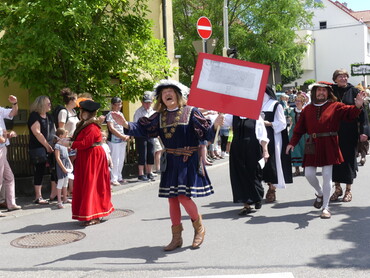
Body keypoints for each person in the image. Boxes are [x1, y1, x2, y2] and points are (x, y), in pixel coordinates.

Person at [111, 79, 224, 251]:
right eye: (164, 93)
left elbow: (206, 134)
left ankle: (199, 228)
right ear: (161, 98)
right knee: (172, 199)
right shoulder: (159, 117)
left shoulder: (191, 112)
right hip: (171, 160)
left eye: (170, 92)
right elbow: (144, 129)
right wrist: (125, 124)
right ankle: (176, 238)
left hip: (188, 159)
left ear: (178, 95)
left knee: (183, 197)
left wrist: (216, 124)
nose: (167, 95)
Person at [286, 82, 366, 219]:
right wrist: (292, 143)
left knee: (327, 175)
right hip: (312, 143)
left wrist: (358, 105)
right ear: (314, 93)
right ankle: (320, 193)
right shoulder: (307, 109)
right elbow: (299, 129)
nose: (321, 92)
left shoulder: (335, 106)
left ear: (328, 93)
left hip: (329, 143)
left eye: (324, 90)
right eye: (319, 90)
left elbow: (350, 113)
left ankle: (325, 207)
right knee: (309, 174)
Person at [59, 100, 114, 226]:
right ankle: (88, 213)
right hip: (86, 156)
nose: (80, 113)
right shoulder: (84, 124)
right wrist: (69, 140)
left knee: (92, 184)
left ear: (86, 113)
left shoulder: (92, 127)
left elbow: (85, 143)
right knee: (86, 184)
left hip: (93, 156)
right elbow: (79, 139)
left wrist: (69, 144)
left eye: (82, 111)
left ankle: (96, 214)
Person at [330, 69, 370, 202]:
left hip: (349, 131)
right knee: (334, 161)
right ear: (335, 79)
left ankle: (348, 190)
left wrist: (364, 131)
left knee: (348, 161)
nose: (344, 78)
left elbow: (363, 114)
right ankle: (337, 189)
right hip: (333, 132)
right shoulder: (330, 91)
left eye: (345, 76)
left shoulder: (354, 91)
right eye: (340, 76)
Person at [226, 113, 269, 215]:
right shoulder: (232, 116)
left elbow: (262, 135)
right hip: (237, 149)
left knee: (254, 174)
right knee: (240, 175)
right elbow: (221, 122)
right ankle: (246, 204)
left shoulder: (256, 117)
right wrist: (219, 117)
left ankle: (257, 197)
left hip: (252, 148)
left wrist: (265, 150)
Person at [262, 85, 293, 203]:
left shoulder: (276, 105)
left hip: (273, 137)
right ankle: (264, 185)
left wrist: (269, 123)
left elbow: (282, 123)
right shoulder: (256, 105)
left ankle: (272, 188)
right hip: (259, 136)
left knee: (272, 162)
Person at [28, 96, 56, 205]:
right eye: (48, 103)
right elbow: (37, 133)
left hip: (50, 146)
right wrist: (47, 146)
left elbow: (53, 131)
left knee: (54, 169)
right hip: (39, 148)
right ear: (41, 104)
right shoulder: (34, 116)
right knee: (39, 170)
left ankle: (54, 194)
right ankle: (38, 197)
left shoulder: (49, 116)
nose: (50, 105)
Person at [55, 88, 79, 198]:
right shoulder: (63, 112)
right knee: (69, 166)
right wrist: (65, 142)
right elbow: (61, 129)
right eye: (76, 99)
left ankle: (72, 189)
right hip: (66, 142)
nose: (77, 101)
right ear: (71, 100)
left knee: (73, 166)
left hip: (74, 142)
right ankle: (68, 191)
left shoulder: (73, 112)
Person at [0, 95, 21, 215]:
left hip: (3, 148)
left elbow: (13, 113)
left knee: (9, 177)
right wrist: (6, 136)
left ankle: (11, 203)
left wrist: (15, 103)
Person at [106, 97, 129, 186]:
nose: (119, 106)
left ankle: (119, 176)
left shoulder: (121, 114)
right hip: (114, 140)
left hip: (122, 140)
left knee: (121, 159)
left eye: (120, 104)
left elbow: (124, 125)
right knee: (115, 159)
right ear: (112, 105)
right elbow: (111, 128)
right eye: (117, 104)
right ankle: (113, 178)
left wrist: (127, 134)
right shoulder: (110, 115)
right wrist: (122, 136)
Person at [133, 92, 156, 181]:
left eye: (149, 102)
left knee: (151, 153)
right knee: (142, 154)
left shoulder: (153, 111)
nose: (147, 104)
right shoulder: (138, 112)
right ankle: (141, 174)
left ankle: (149, 172)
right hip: (141, 135)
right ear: (142, 103)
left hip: (151, 134)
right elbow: (135, 124)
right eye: (146, 102)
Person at [286, 94, 308, 176]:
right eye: (296, 101)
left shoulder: (306, 110)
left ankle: (306, 168)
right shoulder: (291, 111)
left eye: (299, 101)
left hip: (304, 132)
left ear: (302, 102)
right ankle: (297, 169)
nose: (297, 102)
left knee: (305, 149)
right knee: (294, 150)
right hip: (294, 132)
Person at [54, 128, 73, 209]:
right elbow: (58, 158)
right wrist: (63, 167)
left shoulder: (64, 145)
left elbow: (67, 156)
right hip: (61, 165)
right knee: (60, 183)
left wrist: (70, 164)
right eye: (65, 135)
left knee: (66, 182)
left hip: (66, 165)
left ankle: (65, 198)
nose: (67, 137)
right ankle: (59, 201)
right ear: (61, 136)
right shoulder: (57, 145)